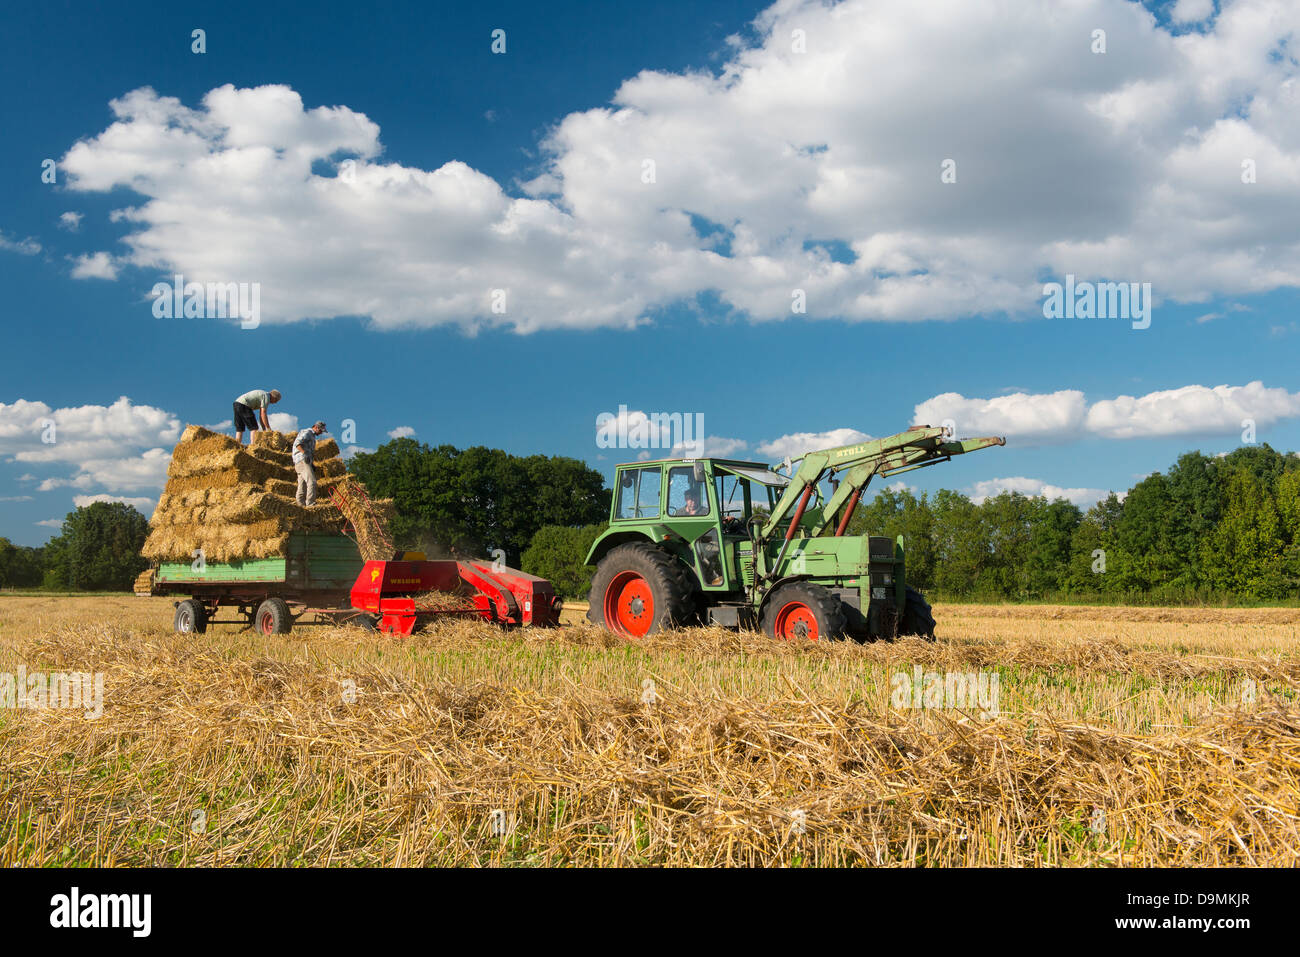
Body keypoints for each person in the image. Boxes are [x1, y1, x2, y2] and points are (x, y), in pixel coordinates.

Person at [292, 421, 328, 506]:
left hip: (300, 462)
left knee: (302, 485)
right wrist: (304, 453)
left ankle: (300, 505)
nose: (321, 433)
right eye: (321, 430)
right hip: (302, 460)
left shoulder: (312, 437)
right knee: (312, 482)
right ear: (316, 427)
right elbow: (297, 443)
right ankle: (310, 503)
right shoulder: (307, 432)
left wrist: (311, 464)